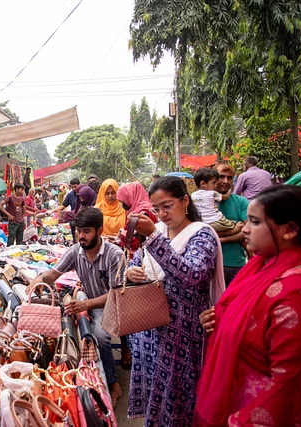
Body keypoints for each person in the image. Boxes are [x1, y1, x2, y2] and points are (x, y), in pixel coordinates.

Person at [195, 186, 301, 426]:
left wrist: (239, 421)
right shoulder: (262, 268)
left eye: (254, 222)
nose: (244, 228)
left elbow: (291, 384)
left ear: (289, 230)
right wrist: (219, 322)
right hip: (239, 405)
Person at [124, 176, 224, 426]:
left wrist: (154, 239)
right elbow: (138, 263)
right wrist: (131, 272)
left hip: (182, 335)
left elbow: (192, 275)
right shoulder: (157, 233)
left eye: (167, 205)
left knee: (179, 398)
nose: (162, 214)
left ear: (185, 201)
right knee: (156, 396)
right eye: (156, 209)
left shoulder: (202, 236)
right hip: (149, 332)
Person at [28, 207, 124, 405]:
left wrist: (85, 304)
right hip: (92, 303)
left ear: (99, 230)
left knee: (100, 336)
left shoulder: (114, 254)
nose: (81, 236)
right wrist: (37, 280)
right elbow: (52, 275)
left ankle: (114, 385)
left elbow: (116, 294)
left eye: (86, 231)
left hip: (115, 304)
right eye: (78, 231)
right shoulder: (75, 252)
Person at [115, 181, 159, 370]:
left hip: (141, 266)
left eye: (123, 200)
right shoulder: (144, 209)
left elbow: (134, 239)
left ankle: (134, 352)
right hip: (141, 263)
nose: (123, 205)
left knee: (134, 309)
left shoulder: (142, 213)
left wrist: (121, 235)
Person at [215, 163, 250, 286]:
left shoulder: (241, 202)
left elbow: (249, 232)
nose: (225, 181)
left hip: (236, 265)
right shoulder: (201, 203)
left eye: (230, 178)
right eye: (221, 177)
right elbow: (203, 233)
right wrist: (234, 231)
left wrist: (221, 239)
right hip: (211, 266)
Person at [192, 168, 241, 234]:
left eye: (230, 178)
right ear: (203, 183)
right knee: (237, 226)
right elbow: (225, 197)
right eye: (214, 183)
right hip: (216, 220)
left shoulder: (193, 195)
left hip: (203, 222)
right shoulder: (212, 193)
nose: (216, 185)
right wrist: (230, 190)